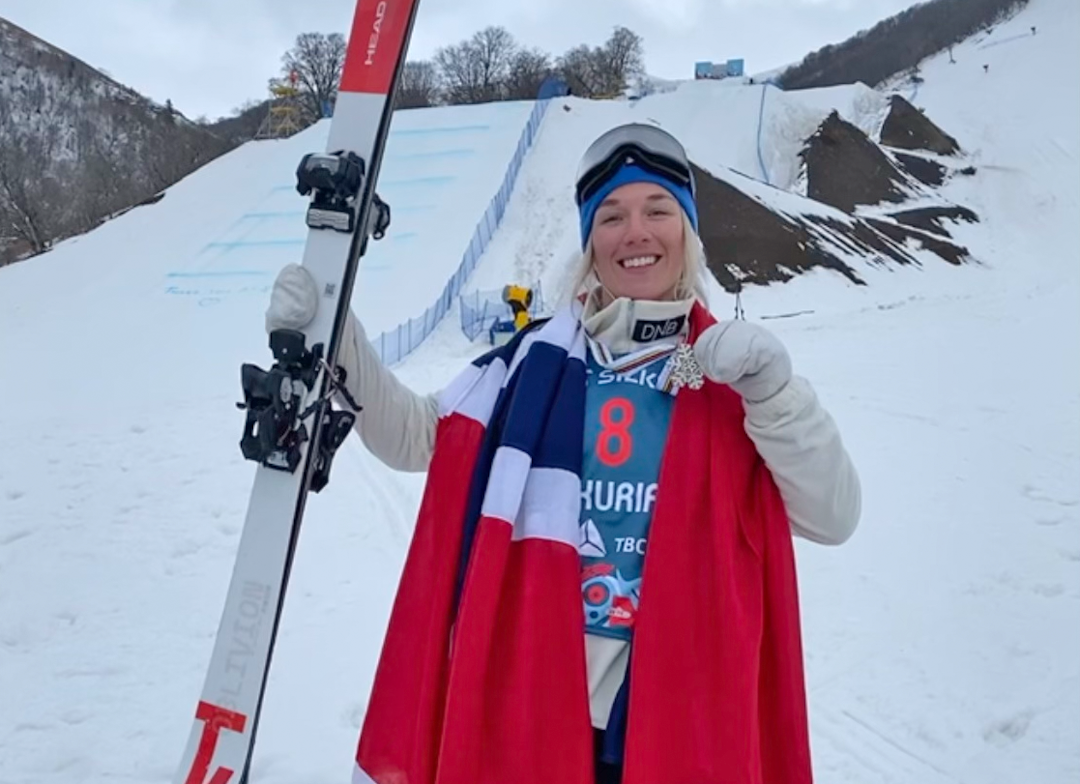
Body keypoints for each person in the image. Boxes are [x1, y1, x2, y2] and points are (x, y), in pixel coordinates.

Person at [265, 123, 861, 784]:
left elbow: (833, 515)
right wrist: (332, 331)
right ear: (589, 243)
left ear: (687, 233)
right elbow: (417, 436)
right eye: (611, 217)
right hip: (538, 694)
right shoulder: (534, 367)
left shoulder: (729, 376)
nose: (635, 232)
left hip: (685, 701)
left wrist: (775, 394)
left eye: (657, 210)